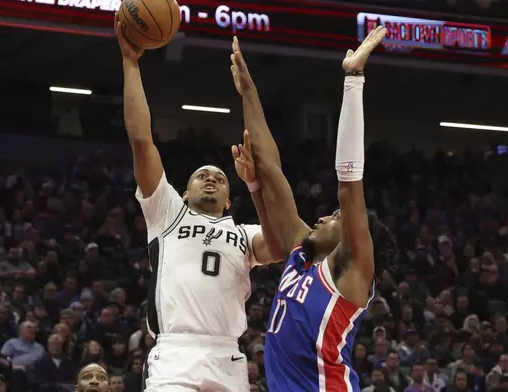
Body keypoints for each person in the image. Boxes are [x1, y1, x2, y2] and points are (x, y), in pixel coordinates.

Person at [113, 14, 282, 392]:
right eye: (201, 176)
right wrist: (131, 62)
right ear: (184, 191)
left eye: (220, 178)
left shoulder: (243, 233)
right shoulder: (167, 211)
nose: (211, 178)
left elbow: (279, 246)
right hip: (176, 352)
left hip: (227, 354)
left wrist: (256, 183)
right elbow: (142, 140)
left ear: (228, 200)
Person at [230, 26, 393, 391]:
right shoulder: (300, 258)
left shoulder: (351, 272)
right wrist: (248, 92)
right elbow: (270, 170)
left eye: (334, 218)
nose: (322, 217)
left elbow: (350, 189)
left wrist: (353, 80)